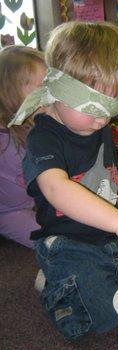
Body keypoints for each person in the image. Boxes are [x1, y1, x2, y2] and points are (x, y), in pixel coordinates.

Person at [9, 21, 118, 341]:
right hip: (69, 244)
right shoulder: (43, 139)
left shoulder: (96, 126)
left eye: (113, 106)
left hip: (109, 238)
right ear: (58, 89)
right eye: (94, 106)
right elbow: (59, 189)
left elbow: (102, 177)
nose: (103, 119)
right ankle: (53, 282)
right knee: (102, 317)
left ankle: (90, 277)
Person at [0, 45, 46, 247]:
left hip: (34, 198)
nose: (49, 93)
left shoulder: (35, 122)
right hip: (8, 211)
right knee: (51, 240)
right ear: (10, 91)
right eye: (41, 86)